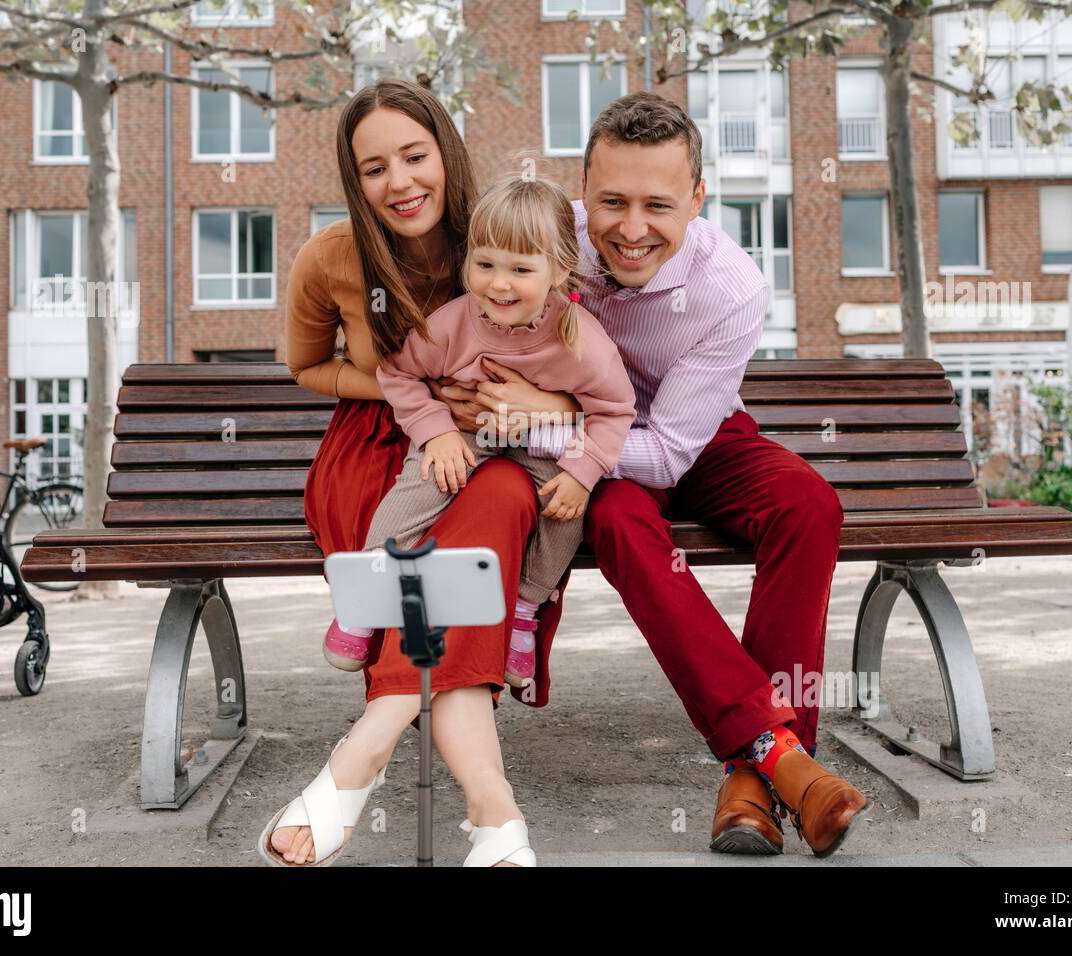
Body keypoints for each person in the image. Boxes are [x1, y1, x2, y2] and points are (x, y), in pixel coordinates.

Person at [427, 92, 869, 858]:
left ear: (699, 198)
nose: (631, 230)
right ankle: (783, 761)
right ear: (581, 192)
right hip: (592, 456)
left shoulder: (732, 288)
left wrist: (542, 418)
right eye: (612, 202)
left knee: (807, 503)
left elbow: (669, 451)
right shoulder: (545, 238)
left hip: (681, 432)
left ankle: (751, 765)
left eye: (658, 205)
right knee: (615, 517)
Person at [260, 80, 572, 867]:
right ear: (353, 181)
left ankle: (363, 754)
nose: (398, 182)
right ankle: (493, 810)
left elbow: (582, 350)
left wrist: (537, 400)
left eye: (413, 156)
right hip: (379, 454)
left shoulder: (503, 232)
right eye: (373, 169)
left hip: (503, 445)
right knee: (449, 537)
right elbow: (305, 367)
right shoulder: (331, 257)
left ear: (446, 154)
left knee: (504, 495)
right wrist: (422, 397)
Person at [333, 175, 635, 689]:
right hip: (464, 434)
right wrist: (435, 433)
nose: (499, 284)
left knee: (565, 511)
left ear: (559, 270)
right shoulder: (450, 324)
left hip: (544, 443)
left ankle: (524, 609)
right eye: (485, 264)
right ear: (468, 258)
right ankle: (366, 595)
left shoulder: (582, 340)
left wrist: (583, 473)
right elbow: (397, 373)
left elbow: (614, 409)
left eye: (520, 269)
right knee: (420, 486)